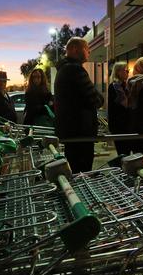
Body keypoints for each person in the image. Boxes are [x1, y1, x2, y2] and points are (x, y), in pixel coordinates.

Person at [54, 37, 104, 173]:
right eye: (87, 48)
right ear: (76, 49)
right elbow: (96, 100)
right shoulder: (75, 70)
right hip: (80, 132)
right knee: (82, 172)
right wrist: (100, 97)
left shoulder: (64, 69)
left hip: (71, 132)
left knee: (74, 169)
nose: (89, 51)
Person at [108, 61, 131, 155]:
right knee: (123, 152)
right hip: (120, 124)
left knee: (126, 151)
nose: (128, 72)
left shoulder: (124, 85)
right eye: (126, 70)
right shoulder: (115, 86)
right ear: (118, 72)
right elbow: (125, 103)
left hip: (125, 123)